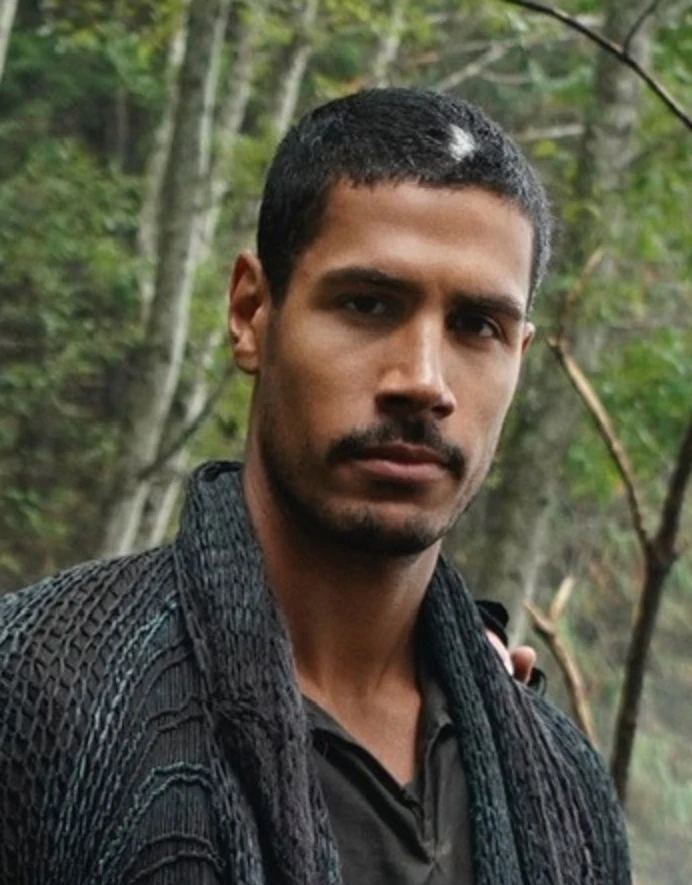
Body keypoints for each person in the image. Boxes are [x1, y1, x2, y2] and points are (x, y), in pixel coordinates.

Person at [0, 88, 630, 885]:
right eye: (367, 303)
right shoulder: (39, 692)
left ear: (520, 356)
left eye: (477, 326)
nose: (422, 380)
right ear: (251, 311)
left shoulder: (560, 783)